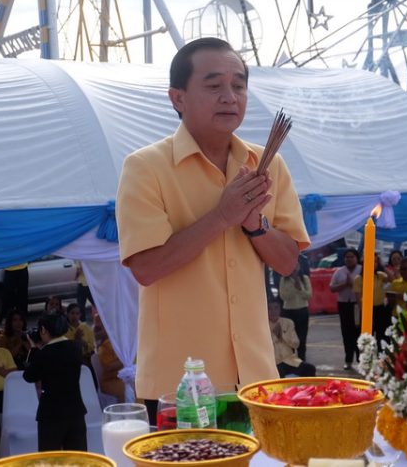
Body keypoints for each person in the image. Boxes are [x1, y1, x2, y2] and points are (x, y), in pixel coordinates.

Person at [116, 37, 310, 412]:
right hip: (181, 384)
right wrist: (222, 217)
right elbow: (146, 267)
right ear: (178, 98)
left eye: (238, 85)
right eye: (214, 85)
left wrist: (256, 227)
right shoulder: (146, 168)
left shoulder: (267, 165)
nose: (229, 96)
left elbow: (288, 263)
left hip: (256, 377)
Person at [23, 311, 87, 451]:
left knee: (50, 460)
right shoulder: (75, 348)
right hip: (75, 411)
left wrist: (33, 349)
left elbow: (29, 376)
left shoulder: (44, 353)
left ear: (44, 330)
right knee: (79, 459)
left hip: (51, 413)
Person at [329, 248, 362, 370]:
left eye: (351, 257)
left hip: (357, 304)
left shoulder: (362, 269)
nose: (349, 259)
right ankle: (348, 360)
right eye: (346, 257)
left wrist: (353, 283)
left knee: (358, 332)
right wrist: (345, 284)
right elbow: (332, 288)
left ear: (356, 258)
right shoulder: (339, 271)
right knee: (346, 332)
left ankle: (360, 360)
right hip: (343, 304)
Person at [267, 300, 316, 378]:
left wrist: (282, 335)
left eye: (276, 308)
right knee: (279, 373)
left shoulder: (288, 323)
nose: (273, 311)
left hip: (289, 360)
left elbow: (296, 344)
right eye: (270, 308)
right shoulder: (264, 325)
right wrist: (275, 336)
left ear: (280, 309)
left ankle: (308, 389)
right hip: (274, 362)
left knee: (310, 369)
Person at [353, 253, 390, 350]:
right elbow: (358, 298)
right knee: (367, 337)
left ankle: (381, 359)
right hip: (367, 310)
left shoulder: (380, 275)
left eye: (375, 262)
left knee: (381, 335)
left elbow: (392, 278)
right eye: (371, 261)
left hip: (380, 308)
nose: (373, 264)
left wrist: (382, 266)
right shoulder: (359, 279)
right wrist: (365, 313)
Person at [278, 261, 312, 361]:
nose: (294, 268)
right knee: (289, 339)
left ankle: (302, 361)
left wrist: (300, 288)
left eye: (296, 265)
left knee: (302, 338)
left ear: (299, 267)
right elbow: (284, 296)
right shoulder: (284, 279)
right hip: (288, 312)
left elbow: (308, 295)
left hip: (302, 311)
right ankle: (290, 362)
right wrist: (295, 288)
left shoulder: (304, 279)